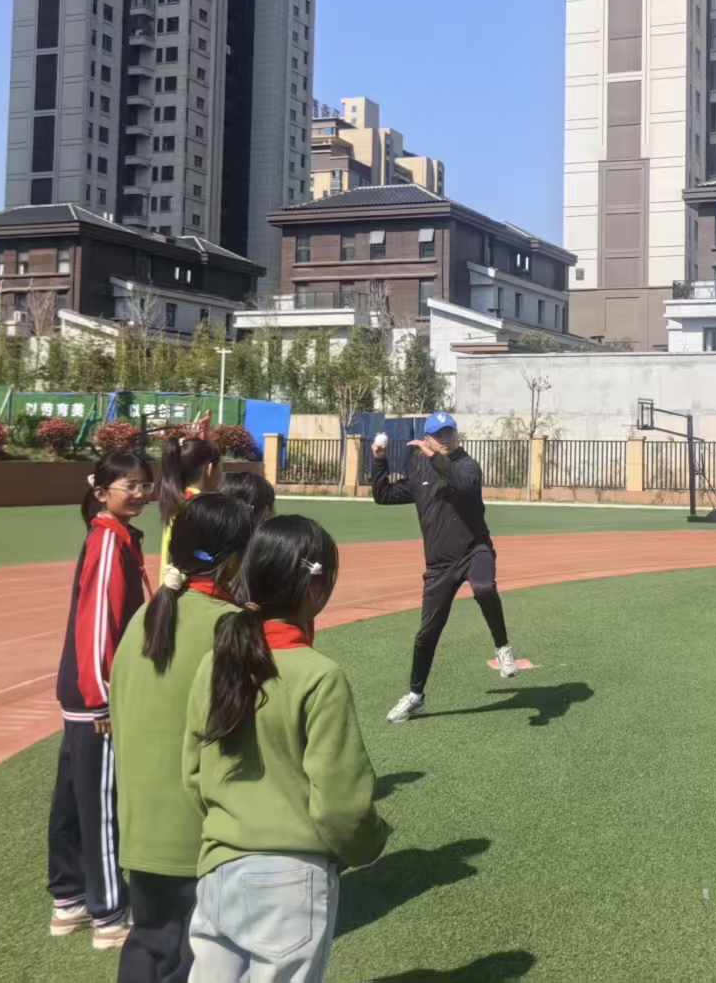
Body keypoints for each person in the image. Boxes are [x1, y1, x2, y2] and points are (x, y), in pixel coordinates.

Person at [183, 516, 390, 982]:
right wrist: (370, 841)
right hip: (292, 879)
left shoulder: (213, 664)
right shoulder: (319, 675)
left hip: (219, 870)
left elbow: (193, 775)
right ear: (315, 587)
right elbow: (341, 805)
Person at [110, 494, 256, 983]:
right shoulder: (230, 629)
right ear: (233, 562)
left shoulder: (146, 617)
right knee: (194, 961)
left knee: (150, 947)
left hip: (140, 827)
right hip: (201, 835)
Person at [50, 450, 154, 951]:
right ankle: (109, 913)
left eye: (144, 485)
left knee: (74, 795)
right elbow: (97, 625)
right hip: (95, 694)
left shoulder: (115, 537)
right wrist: (103, 701)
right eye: (128, 485)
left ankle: (68, 896)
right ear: (101, 492)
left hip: (83, 689)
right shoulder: (109, 542)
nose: (138, 493)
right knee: (101, 803)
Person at [372, 413, 519, 723]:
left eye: (449, 432)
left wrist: (434, 459)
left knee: (484, 587)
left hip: (474, 549)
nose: (445, 438)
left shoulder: (467, 465)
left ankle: (502, 647)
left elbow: (464, 485)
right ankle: (416, 697)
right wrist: (380, 461)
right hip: (439, 564)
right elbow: (383, 495)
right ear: (427, 438)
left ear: (456, 435)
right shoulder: (418, 468)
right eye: (438, 434)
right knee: (427, 633)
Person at [157, 434, 222, 586]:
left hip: (170, 589)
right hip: (192, 591)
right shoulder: (203, 507)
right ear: (209, 469)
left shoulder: (178, 500)